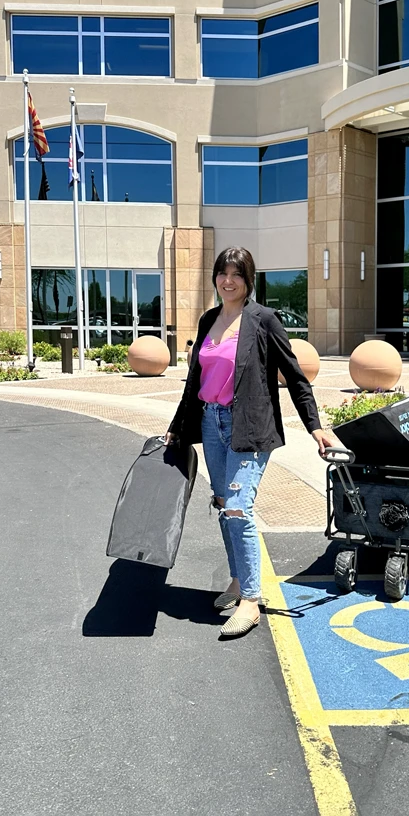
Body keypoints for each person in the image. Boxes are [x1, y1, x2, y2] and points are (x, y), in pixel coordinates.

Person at [165, 247, 338, 638]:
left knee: (240, 507)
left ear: (249, 280)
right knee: (224, 503)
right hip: (211, 424)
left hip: (250, 427)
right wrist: (179, 425)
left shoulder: (264, 320)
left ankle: (252, 600)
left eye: (236, 274)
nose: (228, 281)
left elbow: (295, 376)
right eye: (223, 273)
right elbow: (195, 383)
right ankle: (239, 580)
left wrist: (316, 427)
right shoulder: (209, 319)